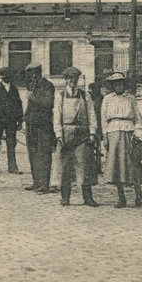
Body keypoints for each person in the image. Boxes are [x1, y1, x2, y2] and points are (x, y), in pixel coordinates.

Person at [100, 72, 142, 208]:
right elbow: (103, 119)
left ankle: (139, 197)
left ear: (124, 84)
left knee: (133, 165)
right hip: (113, 133)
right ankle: (121, 197)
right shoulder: (107, 99)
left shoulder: (130, 98)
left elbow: (138, 118)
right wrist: (105, 136)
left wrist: (139, 132)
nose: (118, 86)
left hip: (129, 132)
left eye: (121, 83)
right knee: (118, 166)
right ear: (112, 86)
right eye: (116, 84)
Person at [53, 67, 99, 206]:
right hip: (66, 132)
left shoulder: (85, 95)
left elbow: (92, 114)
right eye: (70, 78)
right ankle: (65, 197)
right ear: (66, 80)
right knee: (65, 165)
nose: (73, 81)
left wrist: (92, 132)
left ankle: (88, 197)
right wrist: (59, 135)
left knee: (84, 165)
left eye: (75, 78)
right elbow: (57, 117)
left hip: (82, 133)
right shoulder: (60, 96)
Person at [23, 62, 56, 194]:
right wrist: (25, 117)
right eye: (30, 74)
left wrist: (33, 97)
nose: (32, 76)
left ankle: (45, 184)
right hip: (31, 123)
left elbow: (48, 104)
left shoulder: (48, 86)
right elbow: (30, 105)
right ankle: (36, 181)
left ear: (39, 72)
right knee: (33, 153)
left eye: (34, 73)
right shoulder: (32, 85)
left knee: (43, 154)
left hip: (43, 125)